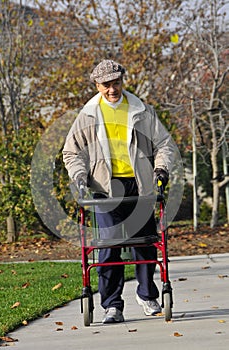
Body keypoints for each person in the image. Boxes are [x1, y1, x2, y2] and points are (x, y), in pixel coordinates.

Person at [63, 59, 175, 324]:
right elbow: (71, 151)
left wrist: (161, 169)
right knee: (109, 245)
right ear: (97, 86)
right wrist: (79, 176)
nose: (112, 90)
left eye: (116, 83)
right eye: (106, 85)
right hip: (104, 188)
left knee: (145, 243)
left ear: (122, 82)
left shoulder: (140, 110)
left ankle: (147, 295)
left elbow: (164, 144)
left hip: (140, 185)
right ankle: (112, 305)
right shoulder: (88, 115)